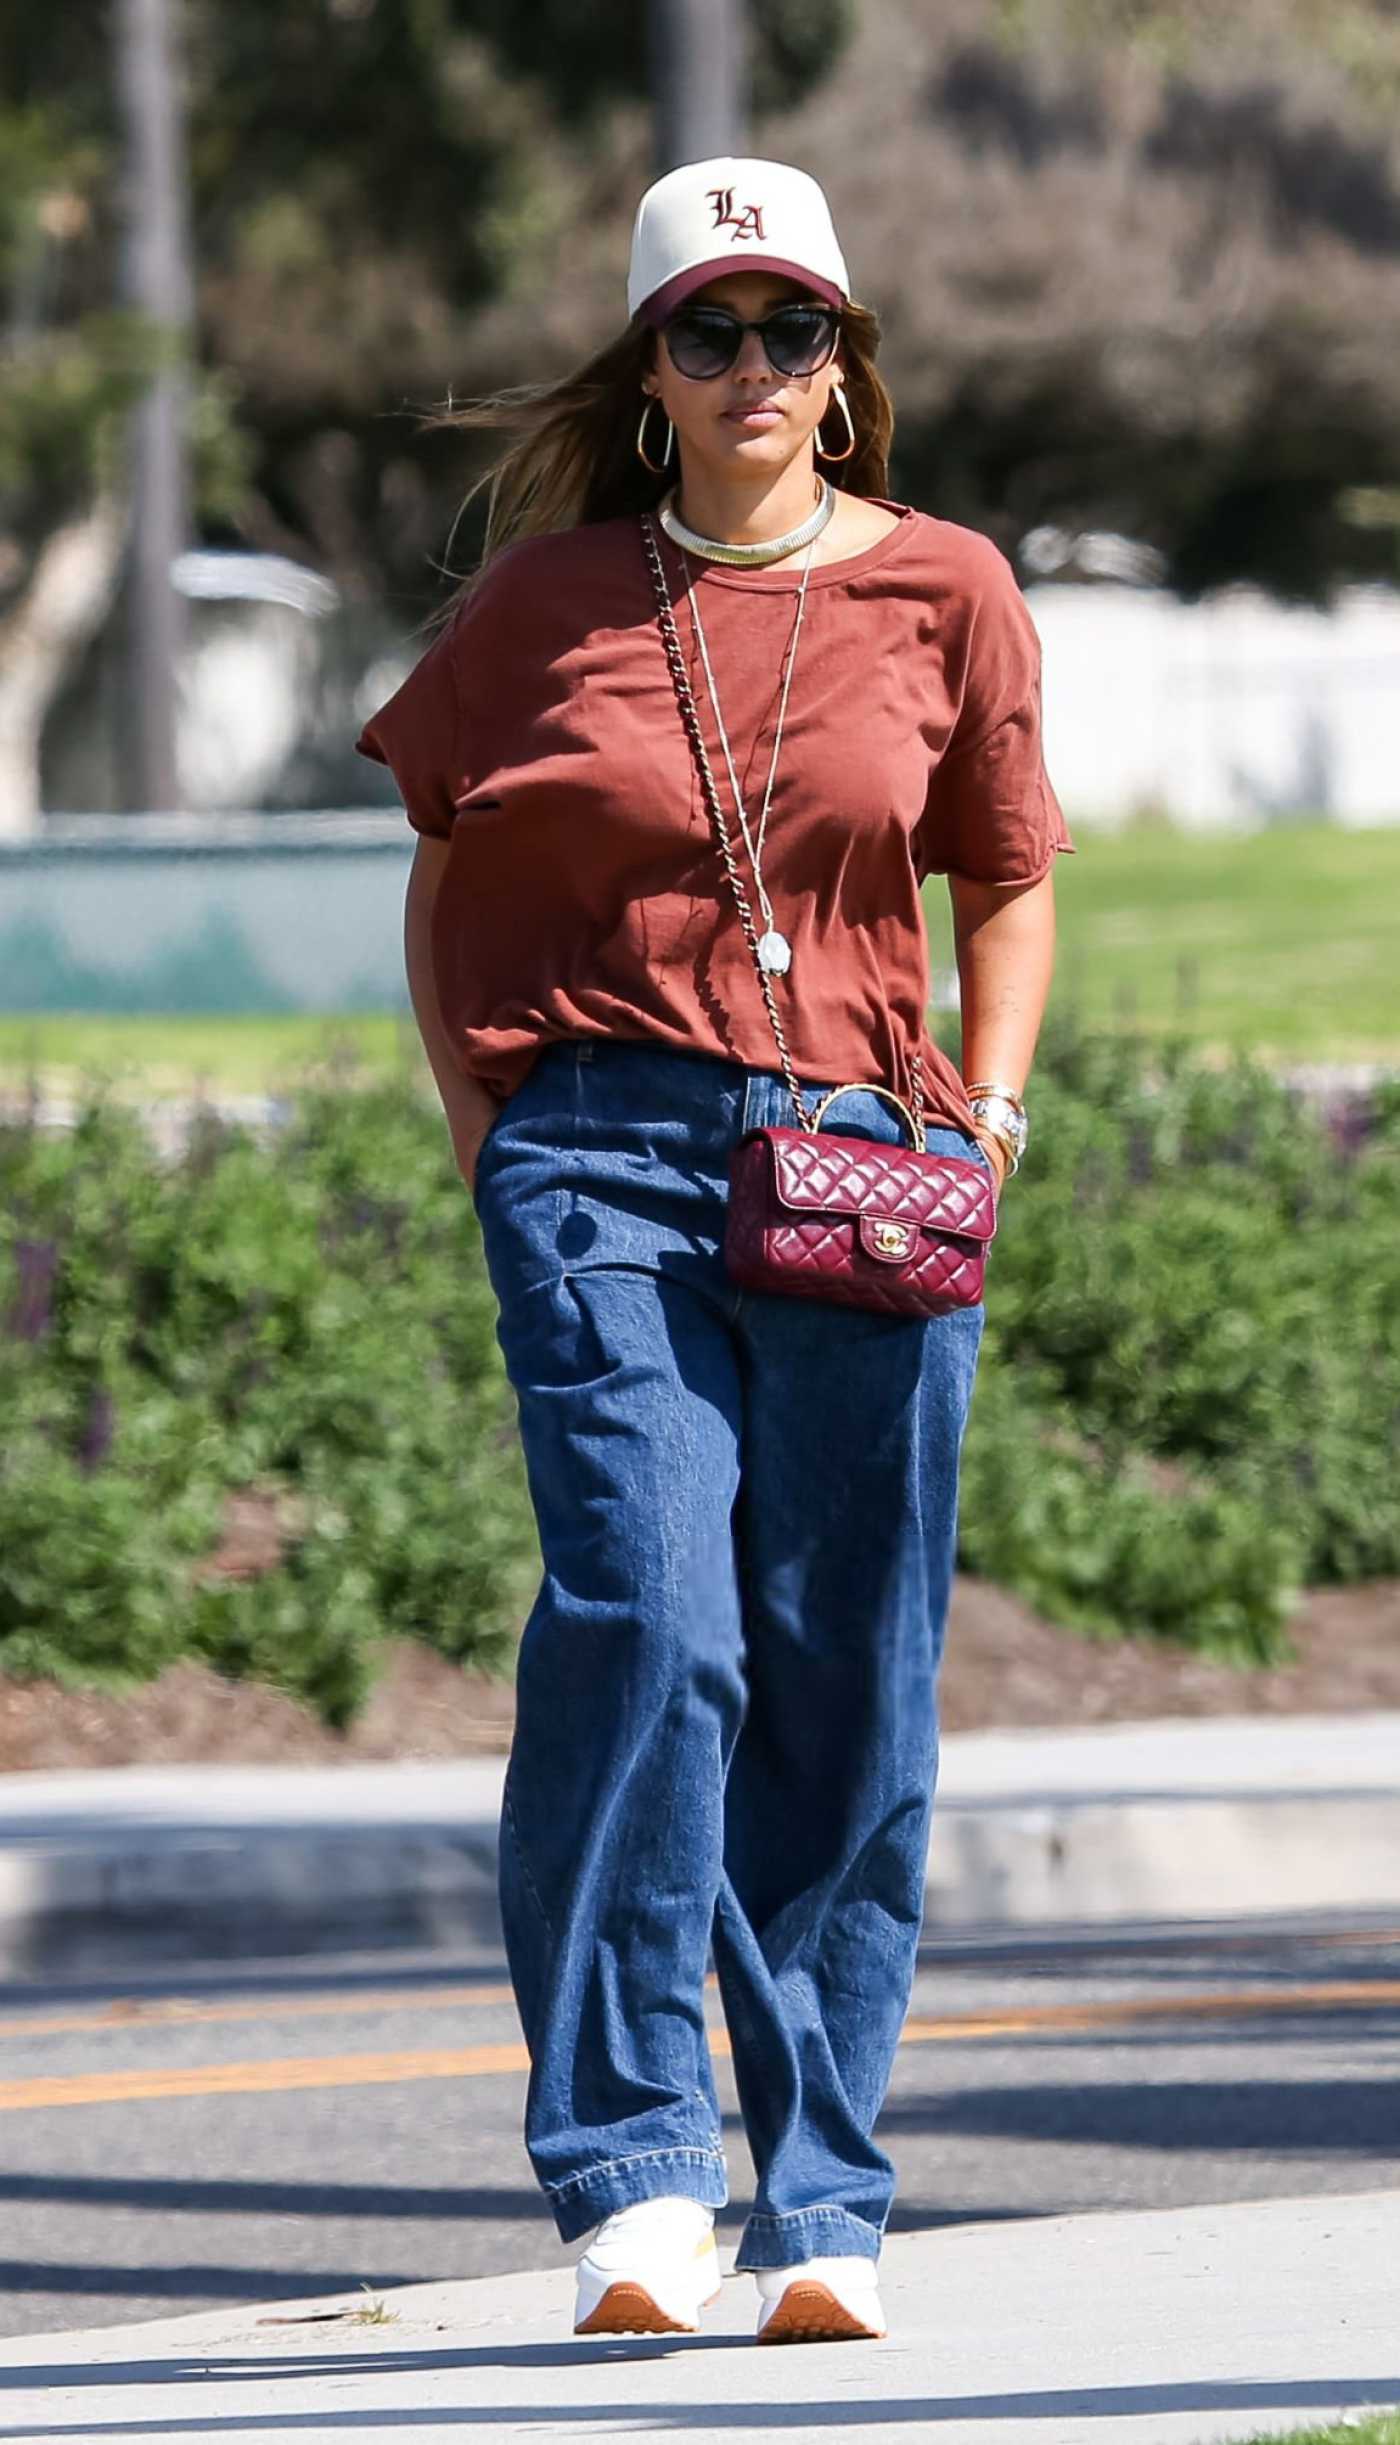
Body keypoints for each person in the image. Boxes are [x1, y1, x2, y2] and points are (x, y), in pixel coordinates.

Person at [355, 154, 1072, 2347]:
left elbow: (1008, 877)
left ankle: (824, 2190)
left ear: (845, 370)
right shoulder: (546, 601)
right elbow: (443, 862)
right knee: (649, 1623)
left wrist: (992, 1108)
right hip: (604, 1155)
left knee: (849, 1672)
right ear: (651, 371)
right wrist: (497, 1129)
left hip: (867, 1154)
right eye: (709, 331)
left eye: (792, 330)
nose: (752, 367)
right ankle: (637, 2173)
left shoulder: (947, 589)